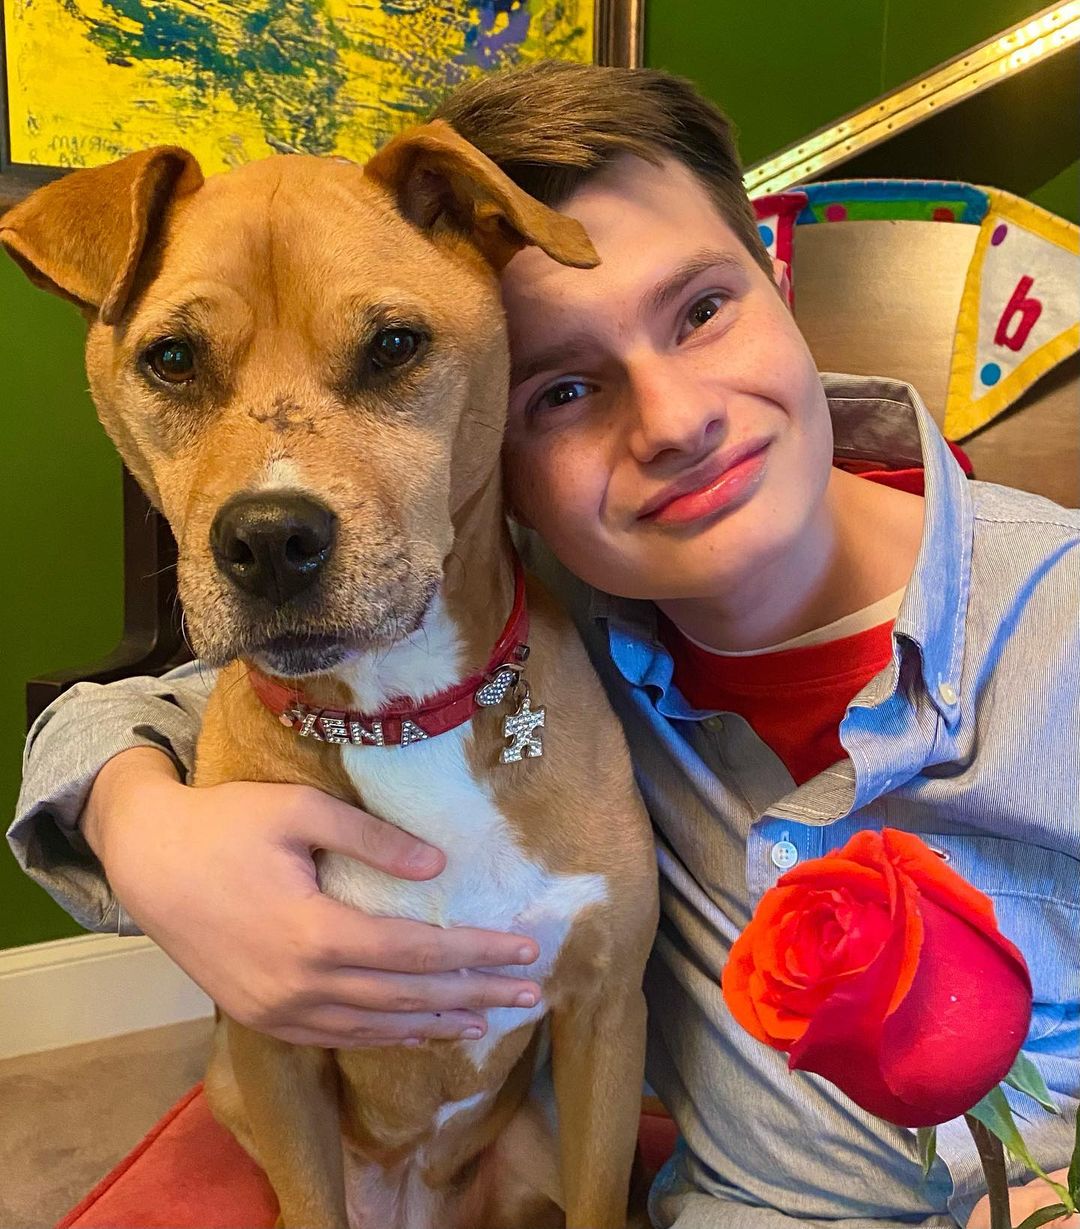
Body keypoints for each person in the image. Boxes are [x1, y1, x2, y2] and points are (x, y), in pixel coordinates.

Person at [8, 61, 1078, 1229]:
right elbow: (158, 704)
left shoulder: (1054, 627)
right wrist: (137, 820)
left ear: (778, 276)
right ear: (497, 445)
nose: (673, 423)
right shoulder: (562, 590)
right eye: (563, 391)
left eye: (702, 309)